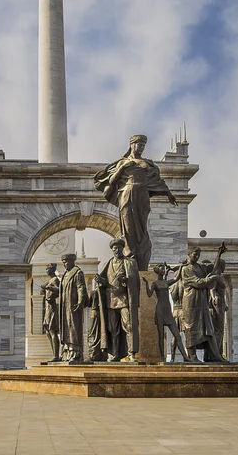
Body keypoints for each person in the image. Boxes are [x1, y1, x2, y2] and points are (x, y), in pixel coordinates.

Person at [94, 135, 177, 271]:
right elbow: (111, 181)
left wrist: (168, 193)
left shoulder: (147, 163)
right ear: (132, 145)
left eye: (143, 145)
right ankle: (130, 257)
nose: (141, 148)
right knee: (128, 228)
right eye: (139, 144)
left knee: (142, 227)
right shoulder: (122, 162)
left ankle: (142, 259)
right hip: (126, 195)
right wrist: (122, 168)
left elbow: (157, 181)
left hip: (142, 196)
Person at [95, 238, 140, 362]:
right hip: (111, 301)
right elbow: (106, 282)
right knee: (113, 330)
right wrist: (100, 281)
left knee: (129, 325)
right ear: (112, 250)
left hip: (124, 300)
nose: (117, 250)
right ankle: (115, 354)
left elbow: (135, 281)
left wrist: (125, 280)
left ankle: (131, 353)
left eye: (119, 248)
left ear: (122, 249)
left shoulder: (129, 263)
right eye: (115, 248)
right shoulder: (108, 264)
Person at [180, 247, 227, 363]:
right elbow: (198, 282)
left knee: (208, 328)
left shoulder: (200, 267)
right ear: (189, 254)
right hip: (191, 302)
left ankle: (216, 355)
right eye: (195, 254)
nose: (197, 256)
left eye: (198, 255)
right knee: (191, 328)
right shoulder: (186, 269)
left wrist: (218, 254)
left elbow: (213, 270)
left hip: (202, 302)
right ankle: (192, 356)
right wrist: (214, 277)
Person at [143, 263, 190, 362]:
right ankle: (161, 358)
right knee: (160, 335)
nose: (163, 269)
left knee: (177, 335)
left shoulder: (165, 282)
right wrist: (146, 283)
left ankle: (185, 357)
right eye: (162, 268)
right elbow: (149, 293)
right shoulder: (155, 283)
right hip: (160, 310)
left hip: (168, 311)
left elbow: (176, 278)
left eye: (164, 268)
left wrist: (181, 266)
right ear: (157, 270)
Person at [59, 253, 88, 362]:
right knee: (66, 328)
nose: (64, 264)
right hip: (64, 307)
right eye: (63, 263)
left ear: (72, 261)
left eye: (66, 262)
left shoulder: (77, 273)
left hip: (73, 306)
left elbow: (81, 287)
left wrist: (80, 301)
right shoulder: (65, 275)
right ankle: (66, 351)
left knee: (74, 328)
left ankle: (75, 352)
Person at [40, 263, 60, 362]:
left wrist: (50, 289)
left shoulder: (55, 280)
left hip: (52, 307)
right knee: (48, 331)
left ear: (52, 270)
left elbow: (59, 291)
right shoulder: (50, 280)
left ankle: (56, 356)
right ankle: (54, 354)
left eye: (48, 269)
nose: (46, 270)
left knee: (53, 331)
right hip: (48, 308)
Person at [169, 274, 185, 362]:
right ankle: (189, 356)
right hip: (183, 310)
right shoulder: (184, 283)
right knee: (188, 335)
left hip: (174, 311)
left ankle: (172, 358)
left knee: (174, 336)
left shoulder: (172, 285)